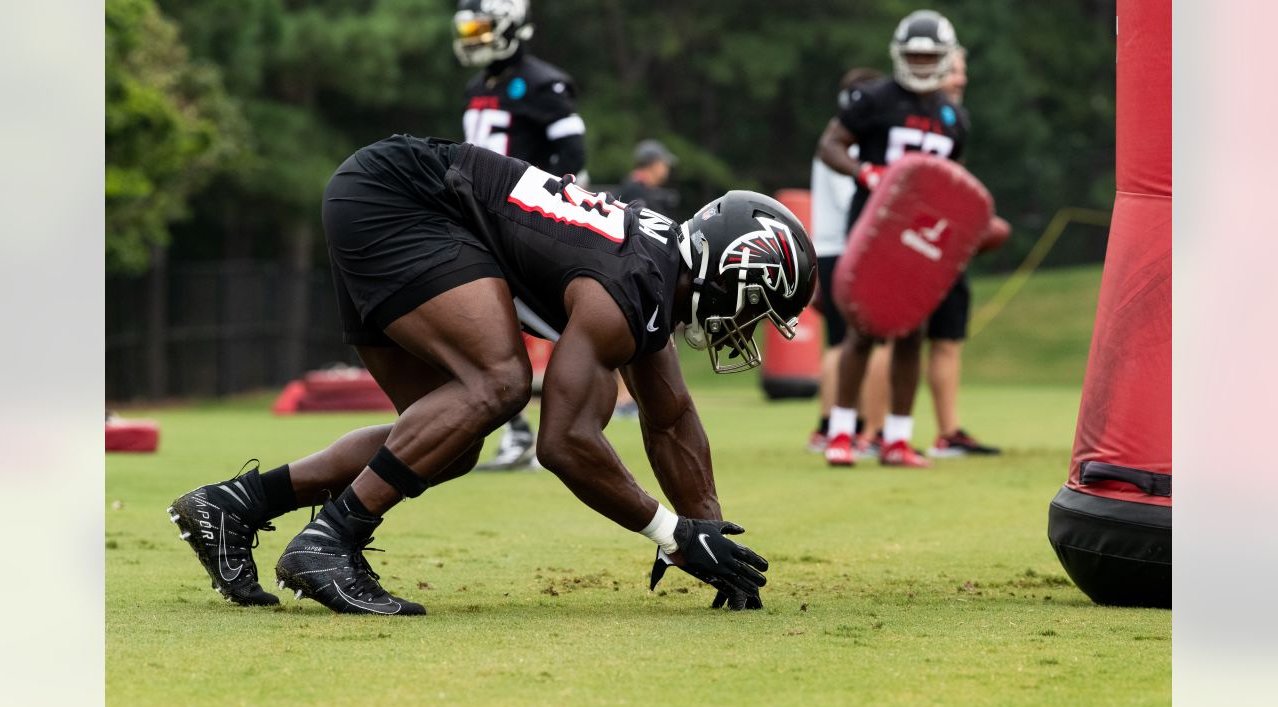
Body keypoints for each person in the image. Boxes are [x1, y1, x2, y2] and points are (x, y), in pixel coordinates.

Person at [168, 134, 815, 615]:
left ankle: (236, 505)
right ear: (733, 271)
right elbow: (563, 443)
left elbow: (670, 420)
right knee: (500, 385)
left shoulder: (653, 273)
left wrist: (713, 545)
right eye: (756, 306)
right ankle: (331, 541)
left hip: (387, 195)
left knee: (443, 442)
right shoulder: (633, 282)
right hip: (401, 199)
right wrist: (670, 532)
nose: (747, 325)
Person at [816, 9, 967, 468]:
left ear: (944, 57)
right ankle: (842, 433)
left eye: (930, 56)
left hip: (921, 241)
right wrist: (864, 170)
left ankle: (897, 439)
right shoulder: (875, 97)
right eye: (914, 56)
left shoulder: (953, 117)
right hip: (872, 232)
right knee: (862, 331)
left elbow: (952, 185)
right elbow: (830, 145)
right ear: (900, 56)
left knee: (913, 336)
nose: (921, 64)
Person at [454, 0, 588, 470]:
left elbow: (572, 156)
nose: (473, 36)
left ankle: (560, 429)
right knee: (491, 326)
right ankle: (519, 430)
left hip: (526, 221)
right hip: (481, 219)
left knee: (544, 325)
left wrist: (548, 211)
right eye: (467, 28)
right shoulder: (478, 86)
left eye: (481, 27)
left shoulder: (539, 81)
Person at [922, 47, 1001, 458]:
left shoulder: (957, 121)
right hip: (903, 243)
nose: (960, 79)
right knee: (883, 341)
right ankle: (871, 432)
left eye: (962, 70)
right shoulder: (899, 111)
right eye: (954, 70)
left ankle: (948, 432)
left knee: (948, 336)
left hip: (945, 245)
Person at [807, 67, 883, 454]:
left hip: (829, 249)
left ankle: (831, 426)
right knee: (851, 342)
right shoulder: (848, 148)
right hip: (844, 247)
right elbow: (849, 199)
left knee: (839, 342)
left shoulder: (836, 140)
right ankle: (857, 428)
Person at [617, 139, 680, 218]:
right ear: (654, 164)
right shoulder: (635, 191)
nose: (667, 168)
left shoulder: (636, 188)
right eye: (664, 164)